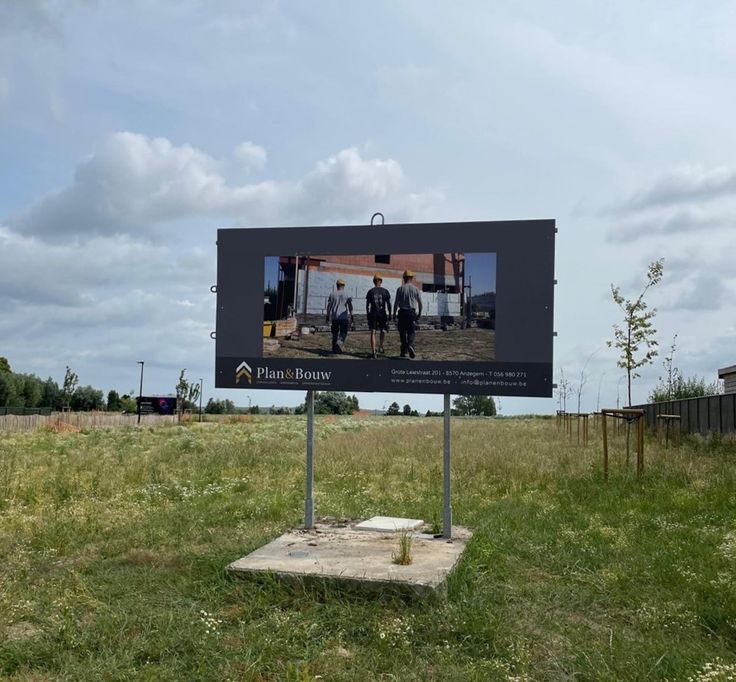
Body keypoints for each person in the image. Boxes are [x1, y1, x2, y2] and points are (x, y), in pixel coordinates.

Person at [393, 269, 422, 358]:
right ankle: (410, 345)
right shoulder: (416, 289)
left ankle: (403, 351)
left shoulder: (400, 289)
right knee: (411, 331)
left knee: (402, 332)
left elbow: (396, 303)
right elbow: (420, 303)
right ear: (411, 278)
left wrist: (393, 314)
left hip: (402, 313)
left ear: (404, 278)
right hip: (411, 313)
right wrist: (419, 314)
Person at [366, 273, 391, 359]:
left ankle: (373, 352)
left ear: (374, 281)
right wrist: (390, 314)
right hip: (382, 313)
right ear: (381, 281)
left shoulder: (370, 291)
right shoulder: (385, 291)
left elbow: (367, 305)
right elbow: (389, 304)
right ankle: (380, 346)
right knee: (382, 330)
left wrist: (368, 314)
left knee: (373, 332)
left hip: (373, 313)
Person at [325, 278, 354, 353]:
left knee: (334, 333)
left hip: (335, 317)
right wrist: (352, 315)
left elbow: (329, 306)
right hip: (343, 317)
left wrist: (327, 316)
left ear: (337, 285)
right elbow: (350, 305)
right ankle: (339, 344)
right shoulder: (347, 294)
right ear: (343, 285)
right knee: (343, 333)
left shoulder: (332, 294)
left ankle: (334, 349)